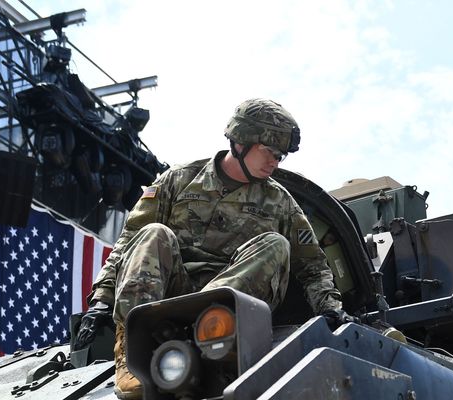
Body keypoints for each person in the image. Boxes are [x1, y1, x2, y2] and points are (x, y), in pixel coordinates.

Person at [75, 98, 350, 399]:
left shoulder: (280, 202)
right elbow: (128, 242)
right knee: (153, 232)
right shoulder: (178, 181)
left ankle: (207, 330)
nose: (275, 162)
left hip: (229, 310)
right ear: (241, 141)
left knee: (276, 244)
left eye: (280, 156)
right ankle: (131, 355)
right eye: (269, 152)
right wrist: (102, 299)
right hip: (169, 297)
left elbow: (312, 266)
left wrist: (331, 309)